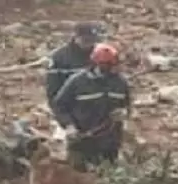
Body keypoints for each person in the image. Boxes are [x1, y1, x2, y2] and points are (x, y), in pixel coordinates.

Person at [52, 43, 131, 171]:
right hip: (82, 143)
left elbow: (127, 106)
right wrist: (69, 126)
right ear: (98, 64)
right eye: (110, 65)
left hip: (109, 144)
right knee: (77, 181)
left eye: (115, 65)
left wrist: (123, 113)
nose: (114, 69)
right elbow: (59, 106)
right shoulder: (77, 82)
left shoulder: (120, 83)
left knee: (105, 181)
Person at [45, 23, 101, 114]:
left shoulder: (100, 55)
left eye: (92, 40)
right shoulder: (60, 57)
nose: (89, 44)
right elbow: (53, 90)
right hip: (71, 110)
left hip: (97, 111)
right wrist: (62, 116)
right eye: (86, 40)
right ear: (76, 37)